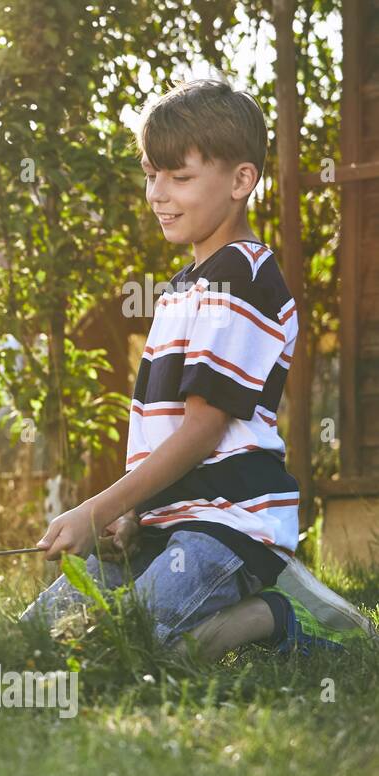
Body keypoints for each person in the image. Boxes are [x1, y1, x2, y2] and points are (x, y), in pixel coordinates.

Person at [23, 78, 366, 658]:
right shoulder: (187, 286)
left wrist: (95, 510)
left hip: (226, 528)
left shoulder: (241, 278)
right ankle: (228, 623)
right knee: (37, 635)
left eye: (179, 177)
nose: (158, 192)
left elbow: (204, 430)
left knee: (120, 645)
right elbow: (170, 433)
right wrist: (135, 514)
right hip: (166, 527)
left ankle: (273, 618)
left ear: (241, 181)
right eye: (152, 173)